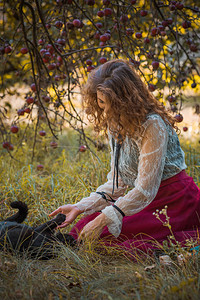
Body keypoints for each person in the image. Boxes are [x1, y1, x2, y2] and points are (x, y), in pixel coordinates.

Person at [50, 59, 200, 257]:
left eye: (109, 104)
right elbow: (117, 183)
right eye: (101, 102)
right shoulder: (115, 122)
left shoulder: (152, 125)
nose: (105, 110)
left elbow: (145, 190)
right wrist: (80, 207)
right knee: (81, 230)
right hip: (145, 197)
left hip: (173, 200)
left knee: (110, 240)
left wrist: (104, 218)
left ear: (126, 101)